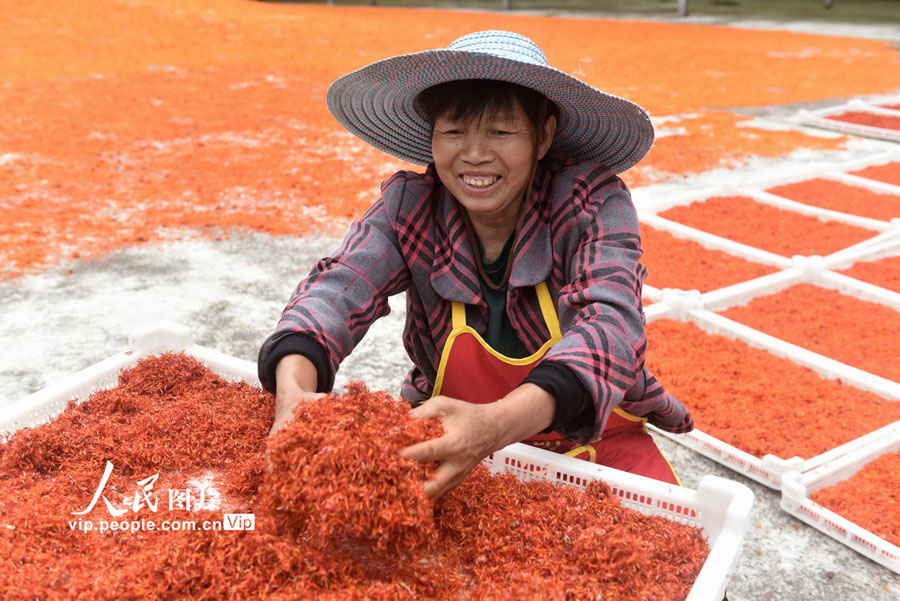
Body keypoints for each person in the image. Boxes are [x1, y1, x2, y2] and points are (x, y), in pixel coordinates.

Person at [258, 30, 693, 500]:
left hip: (594, 440)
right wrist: (294, 395)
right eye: (454, 131)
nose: (474, 154)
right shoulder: (411, 206)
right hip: (452, 438)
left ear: (543, 135)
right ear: (432, 135)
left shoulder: (590, 200)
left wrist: (494, 425)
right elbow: (337, 288)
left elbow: (610, 326)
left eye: (501, 131)